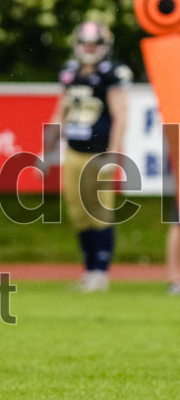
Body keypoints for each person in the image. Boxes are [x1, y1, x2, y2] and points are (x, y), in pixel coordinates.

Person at [44, 21, 131, 292]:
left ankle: (100, 273)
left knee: (99, 212)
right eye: (86, 44)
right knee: (78, 213)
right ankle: (89, 269)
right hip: (73, 151)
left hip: (99, 153)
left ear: (104, 47)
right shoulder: (70, 73)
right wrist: (46, 151)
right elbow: (60, 113)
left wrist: (114, 154)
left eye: (95, 44)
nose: (90, 49)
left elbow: (120, 116)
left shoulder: (111, 73)